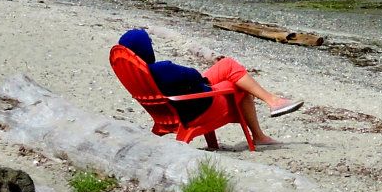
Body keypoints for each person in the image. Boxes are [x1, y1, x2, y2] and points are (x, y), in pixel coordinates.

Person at [117, 29, 302, 147]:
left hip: (175, 107)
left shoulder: (141, 74)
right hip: (200, 106)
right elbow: (194, 75)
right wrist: (199, 82)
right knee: (240, 84)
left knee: (229, 66)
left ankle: (272, 106)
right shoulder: (162, 69)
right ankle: (269, 112)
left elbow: (191, 79)